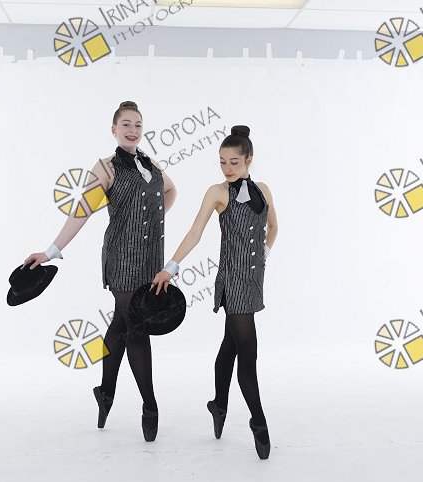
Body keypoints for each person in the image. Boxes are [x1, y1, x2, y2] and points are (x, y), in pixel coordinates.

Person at [23, 101, 177, 442]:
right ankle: (150, 406)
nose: (132, 130)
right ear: (114, 129)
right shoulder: (106, 168)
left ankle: (105, 392)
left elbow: (170, 190)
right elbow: (82, 210)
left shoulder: (150, 163)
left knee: (121, 324)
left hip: (151, 259)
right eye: (126, 124)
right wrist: (51, 251)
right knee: (137, 326)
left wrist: (150, 220)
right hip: (122, 258)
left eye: (137, 124)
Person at [150, 125, 278, 459]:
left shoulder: (264, 189)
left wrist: (264, 253)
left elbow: (274, 226)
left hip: (254, 279)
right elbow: (195, 232)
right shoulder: (217, 192)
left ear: (249, 159)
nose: (226, 168)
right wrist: (170, 267)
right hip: (232, 281)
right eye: (222, 161)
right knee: (247, 352)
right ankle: (259, 422)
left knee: (230, 345)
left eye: (234, 162)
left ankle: (218, 405)